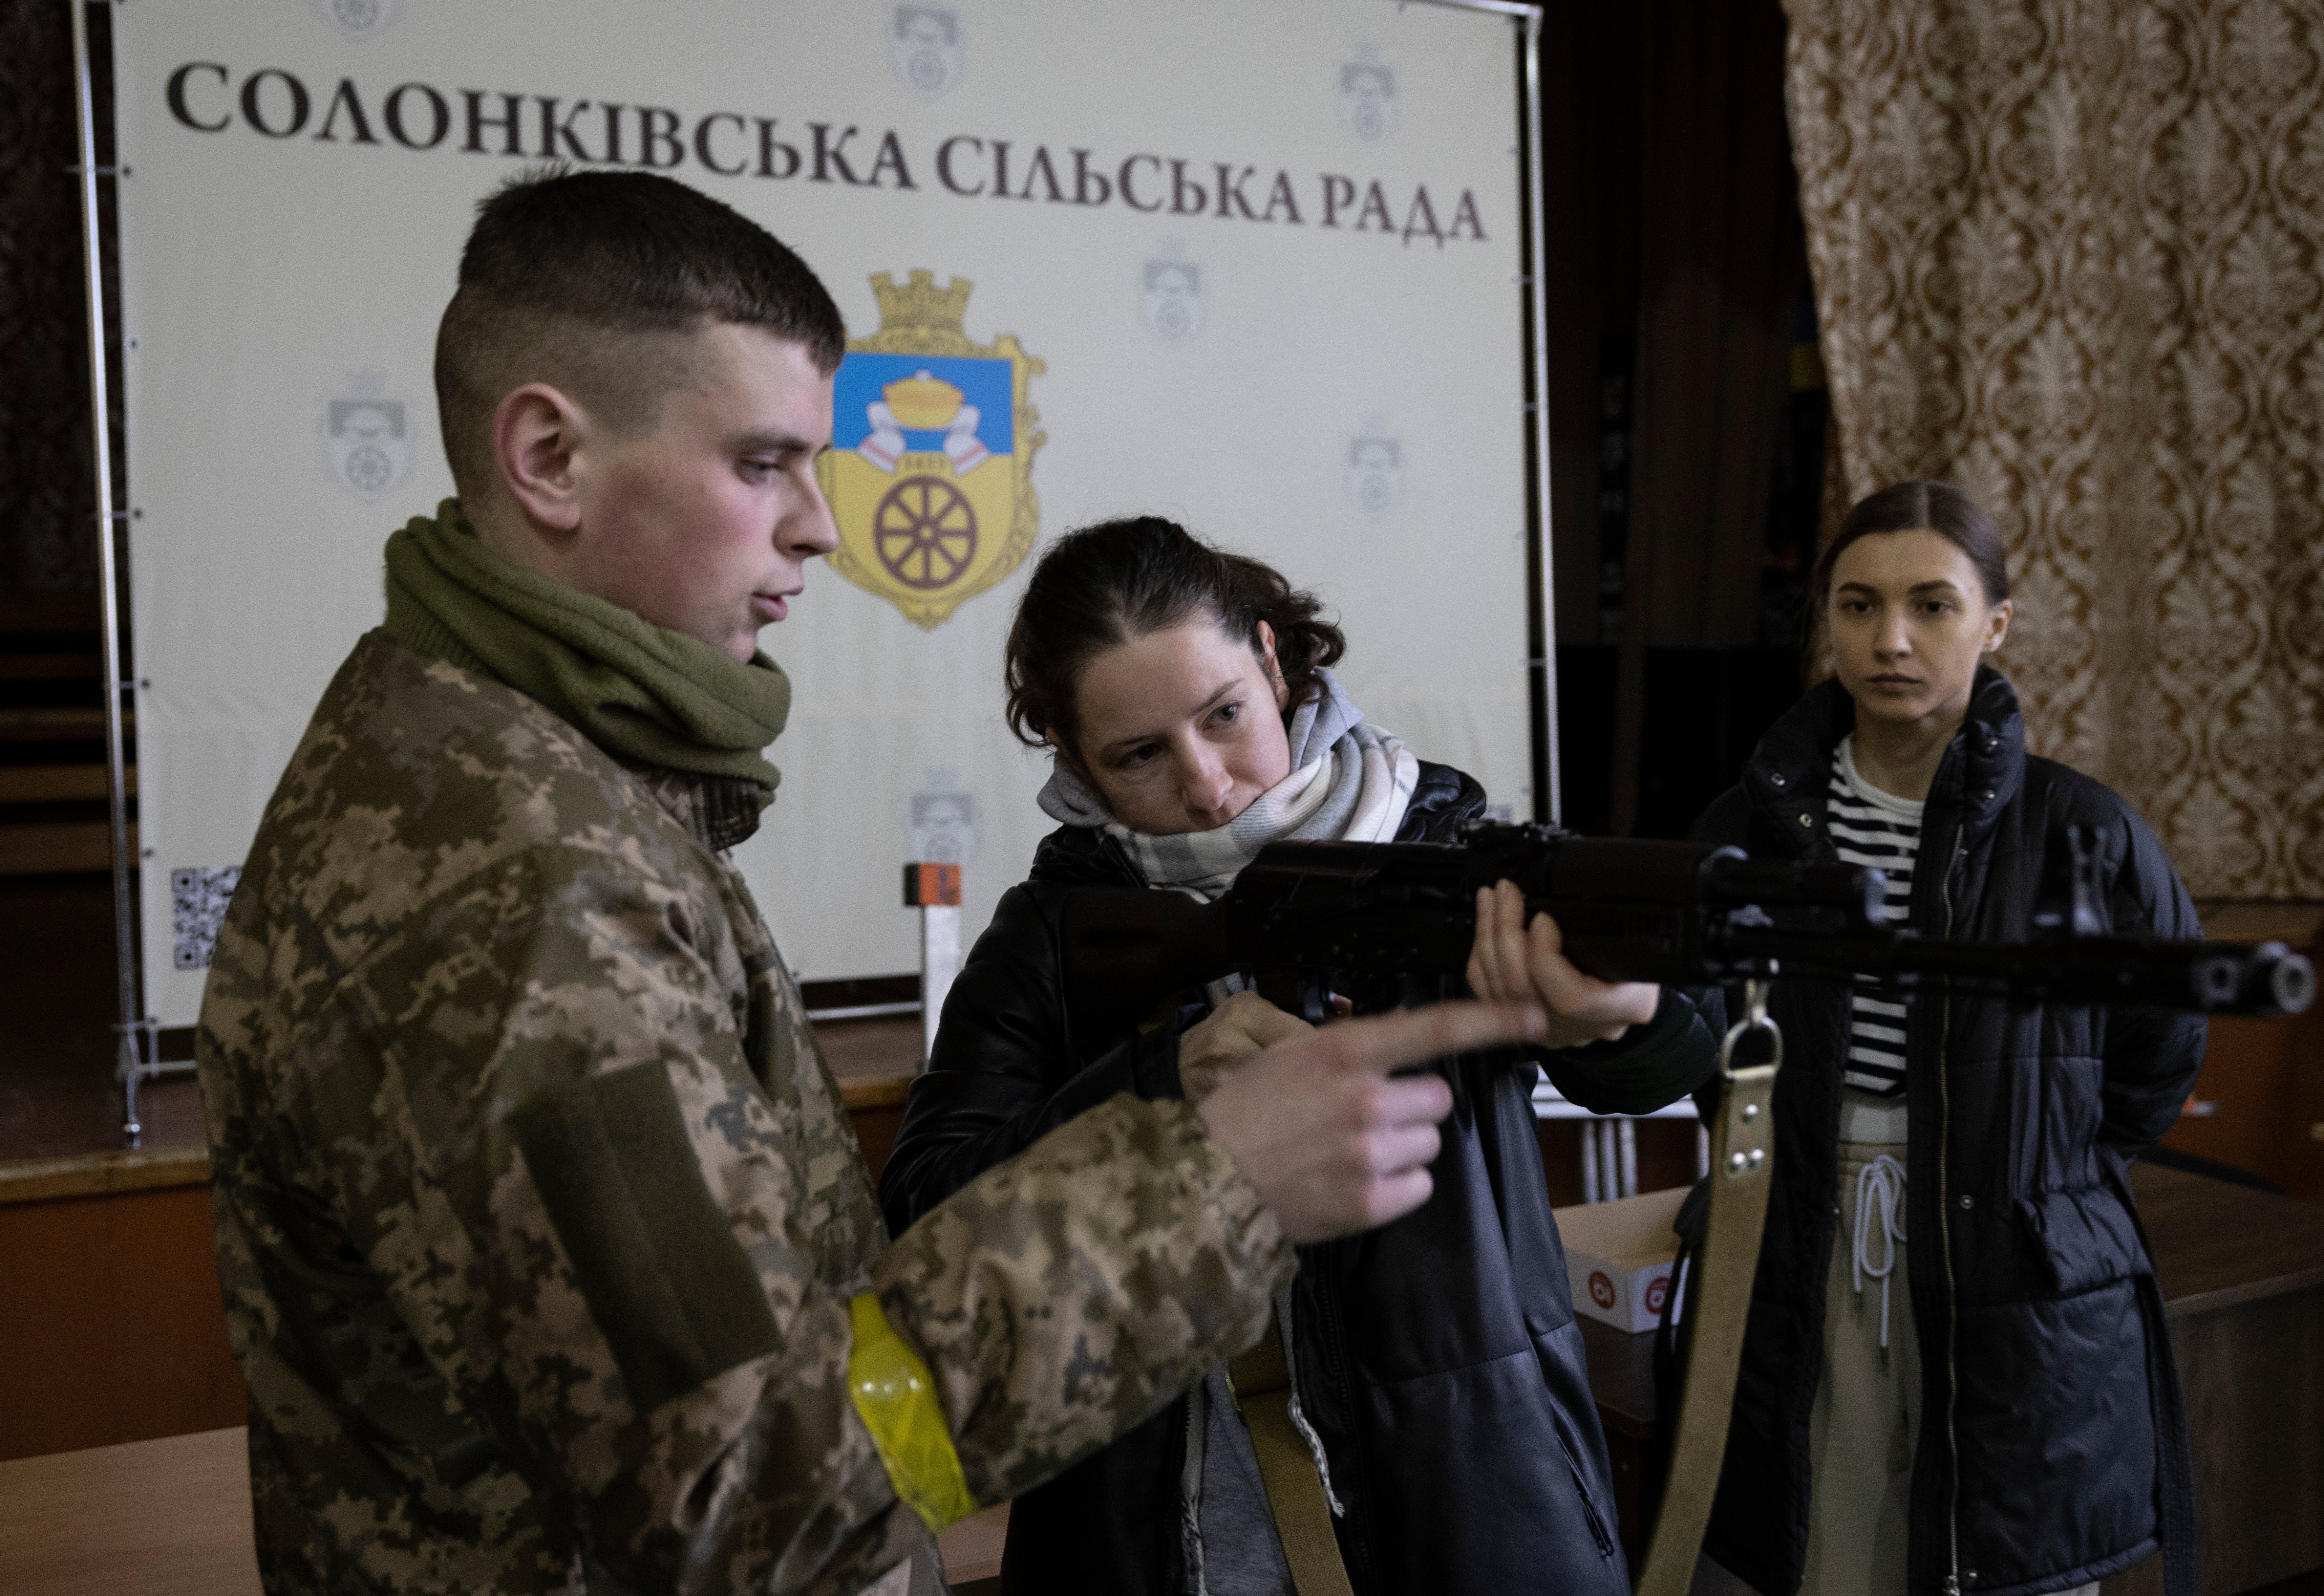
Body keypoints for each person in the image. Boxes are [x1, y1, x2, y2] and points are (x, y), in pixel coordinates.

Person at [193, 168, 1550, 1596]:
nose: (822, 528)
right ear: (547, 456)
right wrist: (1213, 1180)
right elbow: (744, 1491)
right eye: (762, 462)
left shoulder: (523, 778)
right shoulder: (517, 885)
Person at [879, 517, 1723, 1596]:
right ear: (1071, 756)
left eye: (1223, 715)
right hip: (1167, 1519)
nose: (1208, 785)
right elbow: (927, 1207)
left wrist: (1616, 1015)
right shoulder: (1053, 934)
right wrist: (1159, 1078)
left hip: (1474, 1488)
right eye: (1140, 754)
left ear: (1272, 662)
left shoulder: (1443, 850)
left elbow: (1660, 1070)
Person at [1678, 482, 2202, 1596]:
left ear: (1994, 624)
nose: (1892, 641)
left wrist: (2045, 1175)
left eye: (1931, 606)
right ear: (1825, 617)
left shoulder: (2084, 833)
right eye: (1859, 607)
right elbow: (1702, 1042)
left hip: (2008, 1240)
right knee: (1830, 1542)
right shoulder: (1747, 830)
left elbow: (2159, 1049)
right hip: (1807, 1225)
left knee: (1999, 1546)